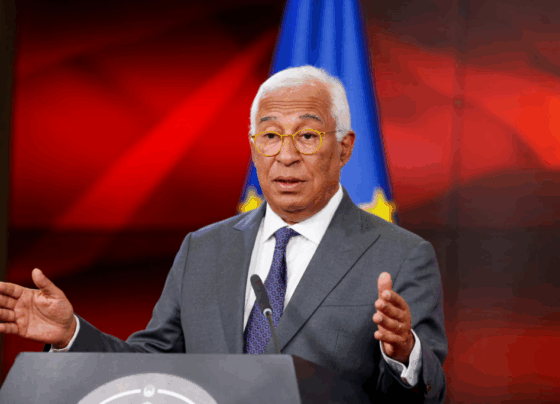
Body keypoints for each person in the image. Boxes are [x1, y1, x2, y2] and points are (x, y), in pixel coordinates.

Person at [0, 66, 447, 403]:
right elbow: (150, 368)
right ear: (253, 146)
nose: (286, 155)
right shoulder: (203, 248)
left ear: (344, 147)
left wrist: (404, 353)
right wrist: (71, 334)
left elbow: (430, 392)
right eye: (270, 136)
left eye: (308, 136)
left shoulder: (401, 255)